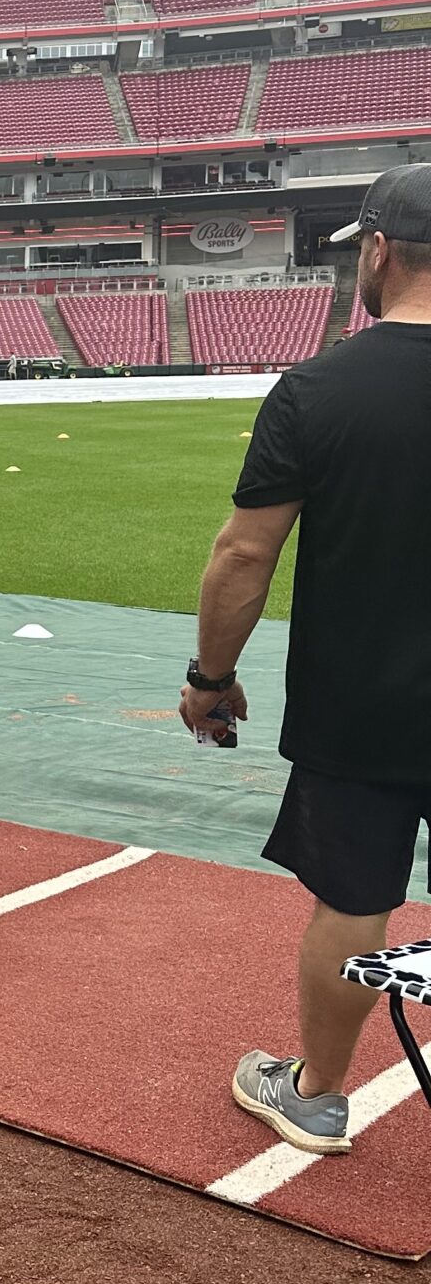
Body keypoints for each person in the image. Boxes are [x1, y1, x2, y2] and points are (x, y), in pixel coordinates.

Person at [183, 167, 431, 1154]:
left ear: (375, 250)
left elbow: (244, 554)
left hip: (359, 701)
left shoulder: (320, 388)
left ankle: (319, 1094)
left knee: (355, 899)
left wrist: (210, 678)